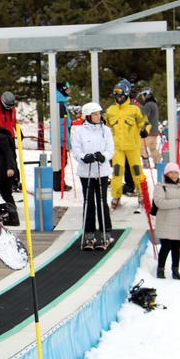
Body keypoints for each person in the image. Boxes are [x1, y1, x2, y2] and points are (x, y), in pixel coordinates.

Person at [71, 102, 114, 250]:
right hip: (86, 172)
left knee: (102, 201)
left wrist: (104, 156)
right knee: (89, 202)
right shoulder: (80, 131)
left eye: (99, 113)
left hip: (101, 171)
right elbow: (75, 150)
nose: (98, 116)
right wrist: (84, 157)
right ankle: (89, 233)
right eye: (95, 114)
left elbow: (110, 148)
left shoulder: (106, 131)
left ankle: (105, 231)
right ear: (88, 116)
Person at [106, 79, 150, 210]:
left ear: (126, 95)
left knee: (137, 170)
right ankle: (116, 195)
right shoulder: (111, 110)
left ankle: (142, 194)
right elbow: (106, 125)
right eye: (116, 96)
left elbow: (145, 123)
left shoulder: (135, 109)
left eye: (121, 96)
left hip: (133, 146)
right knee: (117, 171)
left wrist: (144, 130)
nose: (119, 98)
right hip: (117, 147)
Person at [153, 163, 180, 280]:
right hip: (166, 221)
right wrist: (179, 203)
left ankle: (175, 270)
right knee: (166, 247)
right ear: (166, 174)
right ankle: (160, 269)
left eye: (176, 173)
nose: (174, 175)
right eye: (171, 172)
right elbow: (160, 203)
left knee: (176, 248)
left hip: (179, 222)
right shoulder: (160, 186)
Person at [137, 87, 162, 166]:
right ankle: (158, 163)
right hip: (154, 131)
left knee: (141, 147)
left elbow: (144, 116)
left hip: (149, 132)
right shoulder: (154, 104)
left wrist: (138, 106)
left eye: (143, 96)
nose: (142, 98)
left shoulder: (148, 105)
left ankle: (146, 163)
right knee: (153, 149)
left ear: (146, 95)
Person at [56, 82, 73, 192]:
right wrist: (65, 141)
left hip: (61, 138)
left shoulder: (61, 103)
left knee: (61, 161)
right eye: (67, 89)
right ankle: (59, 184)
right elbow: (62, 125)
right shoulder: (60, 105)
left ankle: (59, 183)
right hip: (61, 139)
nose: (69, 91)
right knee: (61, 162)